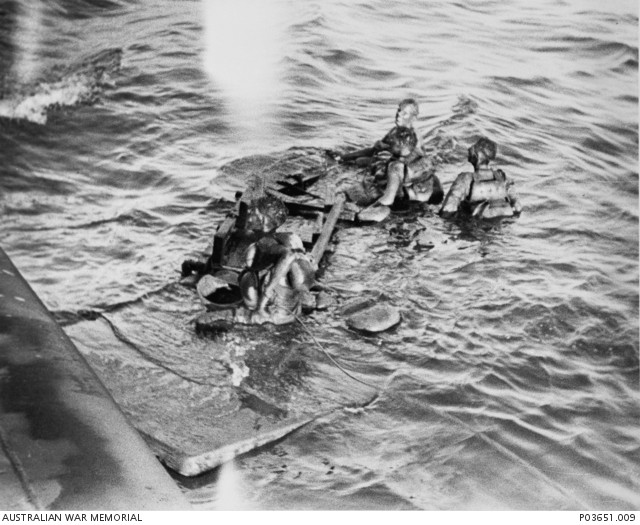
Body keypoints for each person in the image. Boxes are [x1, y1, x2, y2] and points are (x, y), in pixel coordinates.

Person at [234, 195, 315, 325]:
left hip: (271, 318)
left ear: (262, 219)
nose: (248, 215)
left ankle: (255, 312)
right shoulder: (292, 238)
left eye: (252, 212)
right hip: (292, 313)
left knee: (248, 274)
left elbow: (288, 256)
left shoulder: (263, 243)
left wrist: (265, 296)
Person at [356, 126, 443, 222]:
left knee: (363, 211)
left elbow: (388, 200)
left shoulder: (396, 166)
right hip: (428, 198)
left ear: (396, 146)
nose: (387, 144)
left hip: (410, 203)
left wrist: (368, 209)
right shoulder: (421, 155)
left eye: (390, 142)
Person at [439, 137, 522, 219]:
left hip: (475, 227)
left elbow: (448, 209)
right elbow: (518, 207)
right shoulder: (502, 177)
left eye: (474, 147)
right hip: (500, 226)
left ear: (478, 155)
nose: (470, 149)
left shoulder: (465, 179)